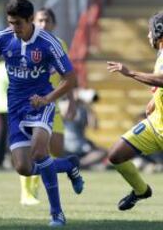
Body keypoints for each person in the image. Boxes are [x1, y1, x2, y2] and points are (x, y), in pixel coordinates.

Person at [0, 0, 84, 226]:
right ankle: (69, 164)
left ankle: (57, 214)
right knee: (24, 168)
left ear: (31, 20)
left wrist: (47, 99)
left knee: (40, 153)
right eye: (10, 22)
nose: (14, 28)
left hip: (41, 103)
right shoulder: (3, 37)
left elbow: (70, 79)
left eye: (18, 23)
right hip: (15, 108)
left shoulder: (48, 43)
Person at [19, 7, 78, 206]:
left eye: (47, 21)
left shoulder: (59, 44)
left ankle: (68, 165)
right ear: (33, 22)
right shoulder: (24, 42)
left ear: (53, 24)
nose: (43, 24)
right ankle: (28, 192)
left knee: (56, 149)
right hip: (29, 105)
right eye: (40, 20)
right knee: (31, 149)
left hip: (52, 105)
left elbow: (66, 75)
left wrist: (71, 100)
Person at [106, 11, 163, 211]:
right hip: (156, 125)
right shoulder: (161, 54)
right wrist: (154, 101)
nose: (148, 36)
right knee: (115, 155)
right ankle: (141, 190)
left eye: (150, 32)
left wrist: (130, 72)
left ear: (158, 31)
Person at [63, 88, 108, 170]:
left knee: (103, 152)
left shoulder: (84, 109)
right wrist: (73, 100)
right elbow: (66, 116)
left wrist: (89, 107)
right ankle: (79, 165)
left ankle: (79, 165)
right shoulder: (64, 104)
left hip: (81, 146)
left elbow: (94, 127)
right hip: (65, 145)